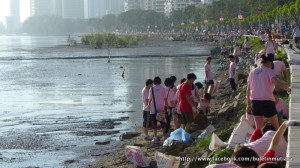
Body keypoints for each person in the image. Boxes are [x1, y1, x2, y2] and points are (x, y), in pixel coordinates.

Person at [246, 54, 291, 140]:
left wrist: (248, 104)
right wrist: (287, 89)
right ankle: (282, 144)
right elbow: (276, 82)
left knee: (258, 129)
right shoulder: (269, 71)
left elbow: (248, 90)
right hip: (267, 102)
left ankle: (254, 146)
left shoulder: (252, 72)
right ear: (270, 62)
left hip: (255, 103)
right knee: (277, 128)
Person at [148, 76, 166, 143]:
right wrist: (166, 106)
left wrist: (148, 106)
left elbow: (150, 99)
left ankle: (155, 137)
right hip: (161, 109)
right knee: (162, 124)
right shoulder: (163, 88)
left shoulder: (151, 89)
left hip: (153, 110)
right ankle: (164, 137)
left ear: (154, 82)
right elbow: (165, 98)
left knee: (154, 124)